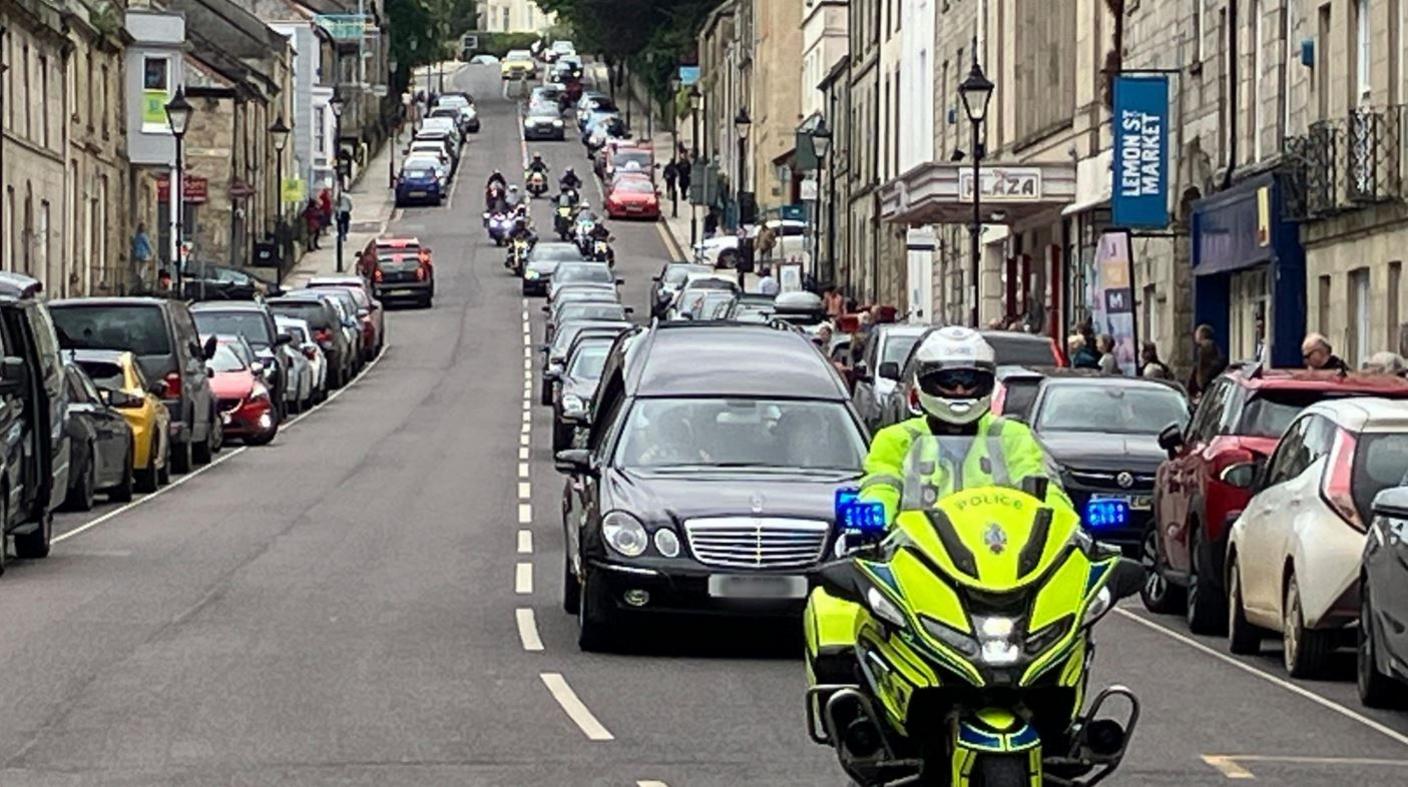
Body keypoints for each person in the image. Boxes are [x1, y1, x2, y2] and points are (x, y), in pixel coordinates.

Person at [858, 327, 1071, 523]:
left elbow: (1044, 486)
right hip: (916, 554)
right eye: (948, 381)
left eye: (970, 381)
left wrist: (1065, 521)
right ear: (924, 383)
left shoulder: (1013, 435)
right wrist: (876, 516)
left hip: (1003, 552)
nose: (960, 391)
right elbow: (881, 484)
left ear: (988, 382)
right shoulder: (896, 439)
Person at [1188, 324, 1228, 399]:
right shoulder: (1214, 347)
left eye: (1197, 333)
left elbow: (1202, 369)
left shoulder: (1204, 348)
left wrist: (1200, 383)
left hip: (1207, 385)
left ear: (1202, 335)